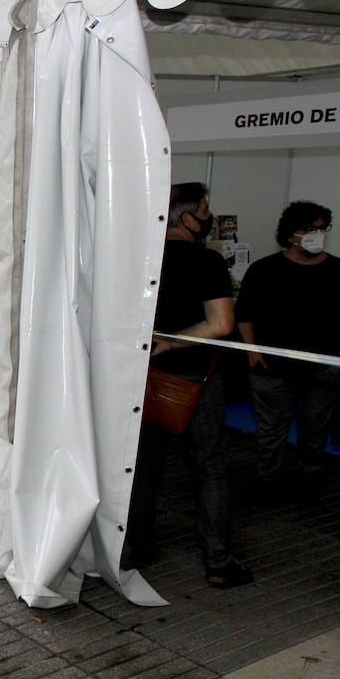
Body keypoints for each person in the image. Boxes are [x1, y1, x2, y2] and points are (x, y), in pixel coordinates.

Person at [125, 182, 251, 587]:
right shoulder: (207, 261)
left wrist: (155, 344)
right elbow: (222, 324)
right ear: (186, 216)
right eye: (205, 210)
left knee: (143, 469)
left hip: (142, 380)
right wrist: (174, 341)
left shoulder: (136, 258)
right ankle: (218, 562)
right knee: (210, 467)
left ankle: (138, 546)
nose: (208, 218)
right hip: (196, 382)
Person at [236, 200, 340, 487]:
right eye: (308, 229)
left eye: (321, 228)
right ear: (291, 233)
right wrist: (252, 350)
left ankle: (309, 481)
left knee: (316, 430)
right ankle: (268, 481)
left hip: (322, 367)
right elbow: (245, 313)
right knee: (271, 431)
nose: (316, 234)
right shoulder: (265, 269)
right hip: (272, 368)